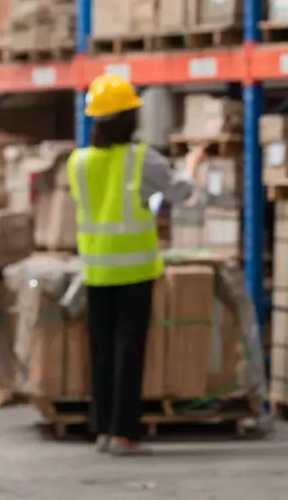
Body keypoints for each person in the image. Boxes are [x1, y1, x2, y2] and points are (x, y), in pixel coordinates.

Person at [67, 74, 207, 456]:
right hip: (134, 272)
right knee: (129, 352)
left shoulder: (77, 163)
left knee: (101, 351)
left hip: (95, 270)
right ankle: (124, 433)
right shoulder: (141, 159)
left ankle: (102, 430)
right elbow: (180, 191)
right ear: (129, 119)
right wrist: (192, 165)